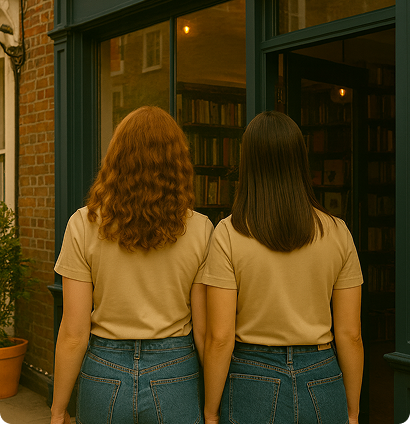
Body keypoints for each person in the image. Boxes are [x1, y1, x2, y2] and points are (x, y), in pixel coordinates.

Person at [50, 106, 213, 424]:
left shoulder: (83, 224)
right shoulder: (202, 229)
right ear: (177, 162)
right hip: (176, 371)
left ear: (116, 158)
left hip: (104, 372)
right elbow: (205, 333)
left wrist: (58, 411)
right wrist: (215, 406)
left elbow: (73, 332)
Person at [202, 110, 364, 424]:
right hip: (322, 377)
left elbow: (220, 337)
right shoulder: (338, 232)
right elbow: (350, 334)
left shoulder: (228, 233)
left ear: (248, 162)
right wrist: (353, 413)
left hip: (252, 376)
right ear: (300, 160)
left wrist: (210, 412)